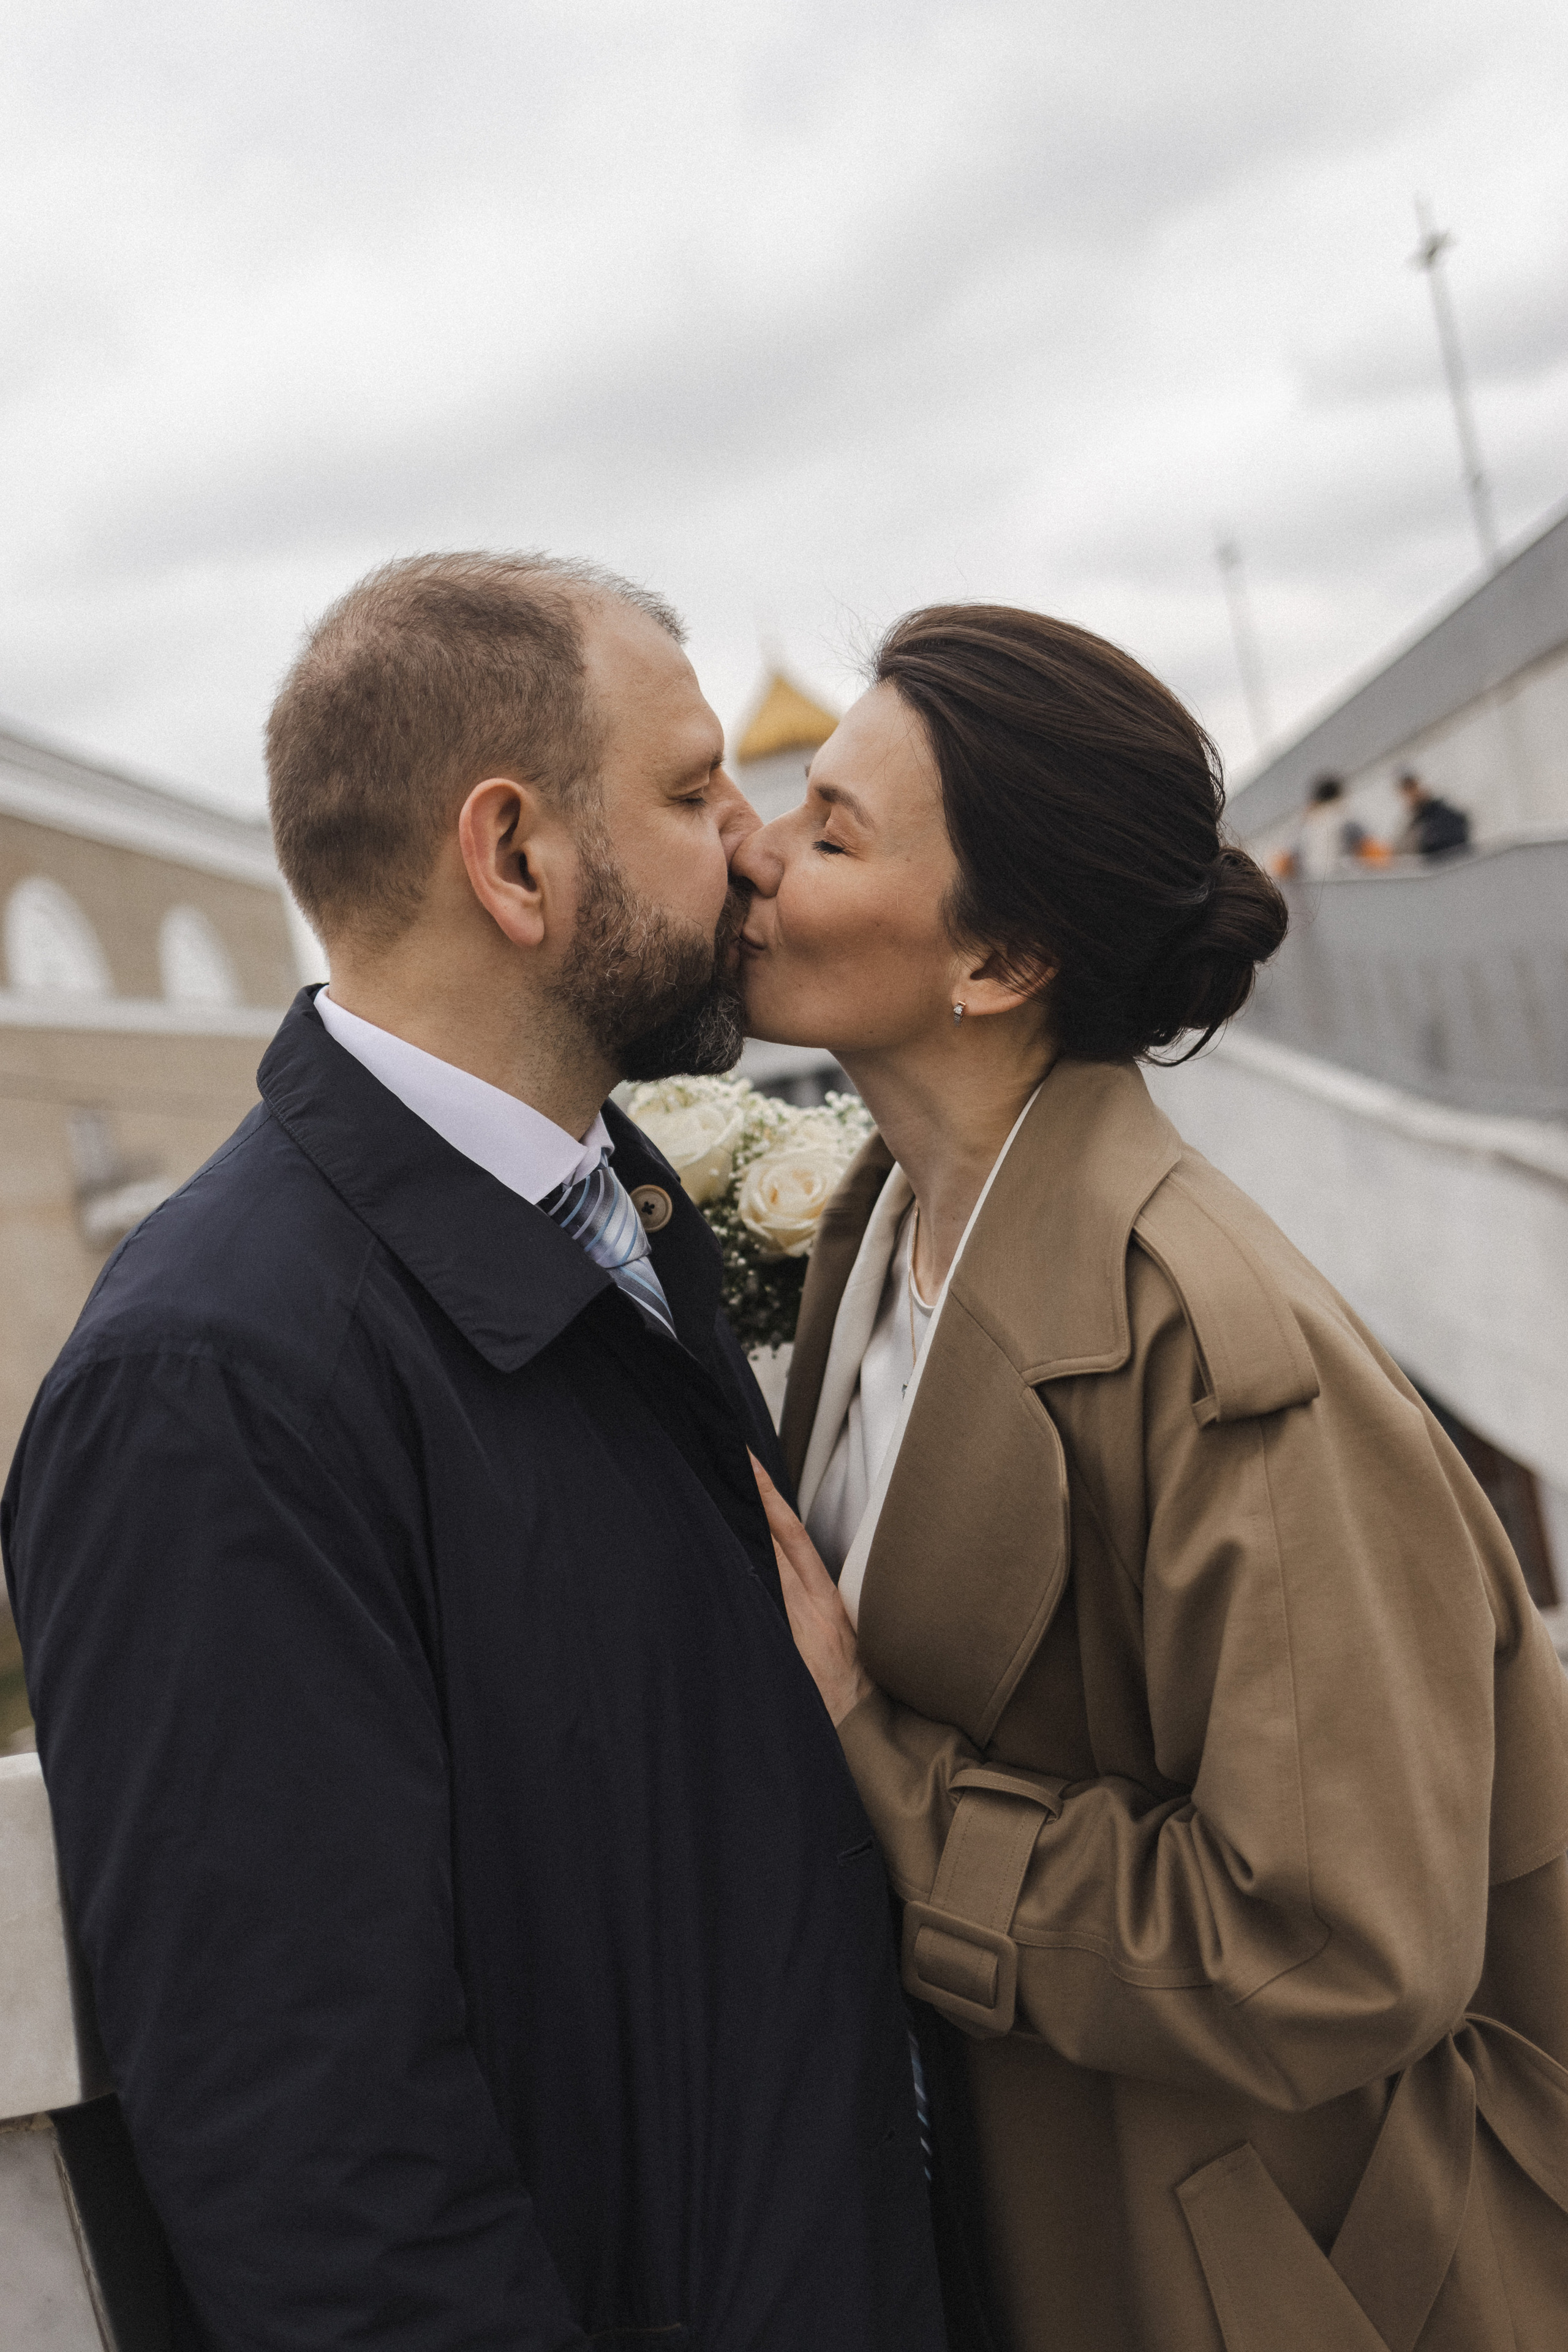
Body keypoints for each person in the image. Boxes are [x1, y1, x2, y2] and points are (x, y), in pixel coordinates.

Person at [2, 554, 944, 2352]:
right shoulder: (207, 1381)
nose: (754, 844)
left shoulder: (612, 1205)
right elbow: (317, 2151)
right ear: (515, 859)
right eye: (689, 792)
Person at [729, 603, 1568, 2352]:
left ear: (1000, 959)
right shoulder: (871, 1240)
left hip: (1273, 2273)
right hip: (1044, 2220)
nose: (758, 853)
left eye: (831, 831)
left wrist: (881, 1775)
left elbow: (1334, 1936)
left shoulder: (1219, 1344)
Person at [1395, 768, 1472, 857]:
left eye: (1413, 787)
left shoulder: (1446, 815)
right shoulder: (1412, 826)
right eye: (1406, 791)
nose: (1412, 794)